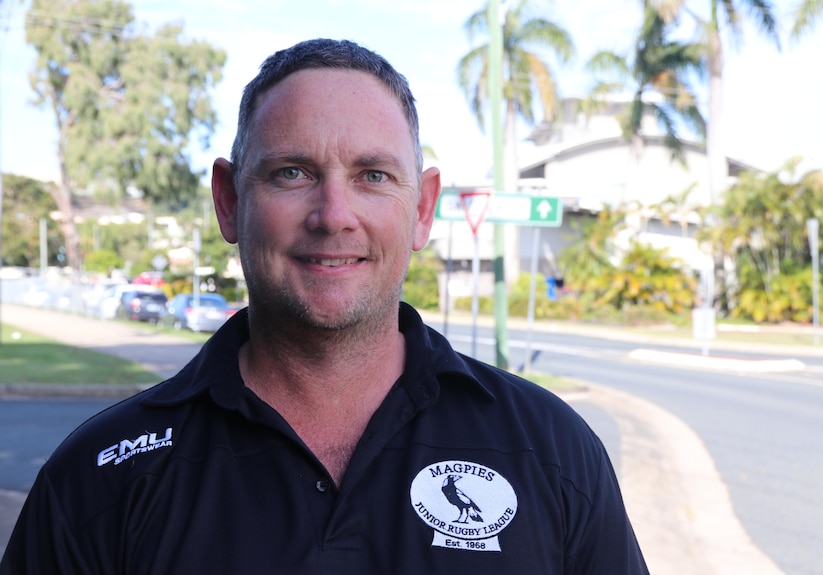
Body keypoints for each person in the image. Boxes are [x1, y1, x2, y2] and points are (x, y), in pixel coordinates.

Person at [1, 39, 649, 574]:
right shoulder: (101, 477)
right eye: (292, 173)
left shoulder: (551, 451)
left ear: (422, 209)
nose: (334, 215)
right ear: (229, 200)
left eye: (373, 175)